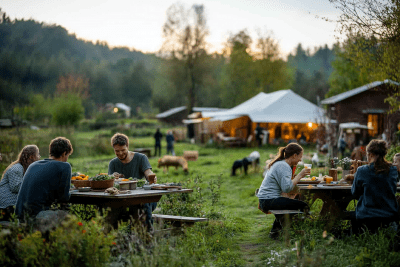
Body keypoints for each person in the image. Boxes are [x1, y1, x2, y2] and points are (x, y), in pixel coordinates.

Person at [257, 143, 310, 239]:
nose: (300, 160)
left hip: (265, 199)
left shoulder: (281, 164)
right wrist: (300, 175)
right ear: (294, 155)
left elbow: (284, 187)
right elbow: (286, 188)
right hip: (268, 200)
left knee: (292, 202)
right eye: (300, 157)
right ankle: (299, 233)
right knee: (304, 206)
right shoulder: (284, 166)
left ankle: (275, 232)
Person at [16, 137, 73, 225]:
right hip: (37, 216)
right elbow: (63, 198)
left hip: (20, 216)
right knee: (70, 217)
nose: (67, 158)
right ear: (64, 153)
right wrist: (70, 191)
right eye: (67, 155)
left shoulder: (34, 165)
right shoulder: (64, 166)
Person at [108, 133, 158, 231]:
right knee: (109, 209)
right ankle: (112, 239)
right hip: (124, 199)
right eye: (117, 151)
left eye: (123, 150)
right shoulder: (113, 163)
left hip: (143, 197)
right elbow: (110, 184)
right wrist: (112, 178)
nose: (120, 153)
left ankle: (147, 236)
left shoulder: (141, 158)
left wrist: (151, 177)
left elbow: (148, 172)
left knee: (144, 205)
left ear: (127, 146)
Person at [349, 139, 399, 235]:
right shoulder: (393, 170)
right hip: (389, 216)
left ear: (371, 154)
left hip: (367, 217)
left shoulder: (361, 170)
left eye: (367, 155)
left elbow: (354, 193)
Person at [0, 145, 40, 221]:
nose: (39, 157)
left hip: (12, 205)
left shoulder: (24, 168)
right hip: (5, 206)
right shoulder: (17, 168)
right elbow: (15, 187)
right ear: (32, 157)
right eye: (38, 154)